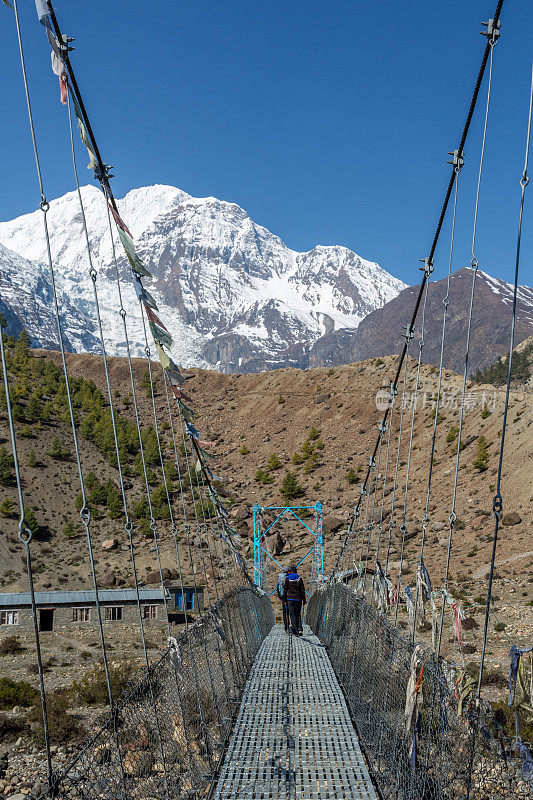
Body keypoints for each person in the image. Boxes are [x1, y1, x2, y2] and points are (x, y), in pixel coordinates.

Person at [284, 565, 306, 636]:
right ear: (296, 571)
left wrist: (284, 599)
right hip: (298, 599)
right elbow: (302, 590)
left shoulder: (287, 579)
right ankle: (299, 628)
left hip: (290, 599)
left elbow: (285, 589)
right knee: (298, 614)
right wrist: (304, 599)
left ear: (290, 571)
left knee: (292, 614)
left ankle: (295, 630)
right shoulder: (299, 579)